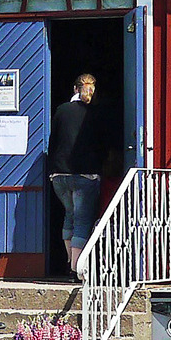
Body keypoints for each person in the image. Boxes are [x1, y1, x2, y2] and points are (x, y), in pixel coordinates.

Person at [47, 73, 111, 276]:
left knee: (70, 215)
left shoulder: (61, 110)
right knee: (83, 220)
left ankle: (69, 261)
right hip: (85, 175)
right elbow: (102, 145)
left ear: (75, 89)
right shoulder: (95, 113)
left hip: (59, 174)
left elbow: (53, 141)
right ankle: (77, 268)